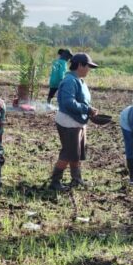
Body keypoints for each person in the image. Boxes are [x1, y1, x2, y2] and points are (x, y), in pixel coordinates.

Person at [49, 53, 99, 191]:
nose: (89, 70)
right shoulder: (69, 81)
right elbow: (68, 102)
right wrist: (87, 109)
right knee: (68, 153)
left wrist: (88, 111)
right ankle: (55, 181)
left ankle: (76, 179)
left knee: (76, 153)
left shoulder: (80, 80)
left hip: (78, 122)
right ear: (80, 65)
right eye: (88, 66)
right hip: (69, 122)